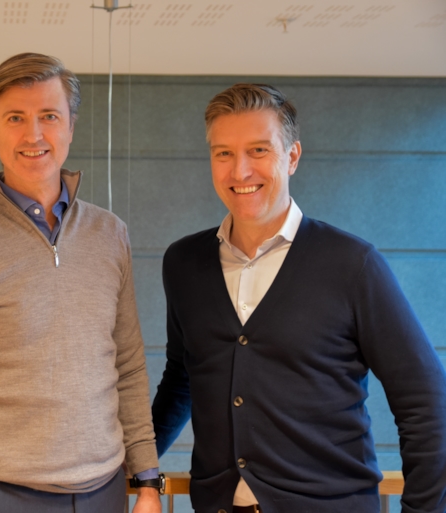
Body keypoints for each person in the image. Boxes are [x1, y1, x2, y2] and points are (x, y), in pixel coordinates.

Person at [151, 83, 446, 513]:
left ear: (292, 157)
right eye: (223, 153)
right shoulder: (184, 263)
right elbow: (182, 378)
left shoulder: (353, 264)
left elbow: (426, 401)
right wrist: (135, 468)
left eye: (258, 150)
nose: (240, 171)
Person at [0, 53, 161, 513]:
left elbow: (128, 366)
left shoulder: (110, 235)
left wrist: (147, 478)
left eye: (49, 116)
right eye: (15, 118)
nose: (33, 135)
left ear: (71, 125)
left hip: (105, 491)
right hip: (0, 495)